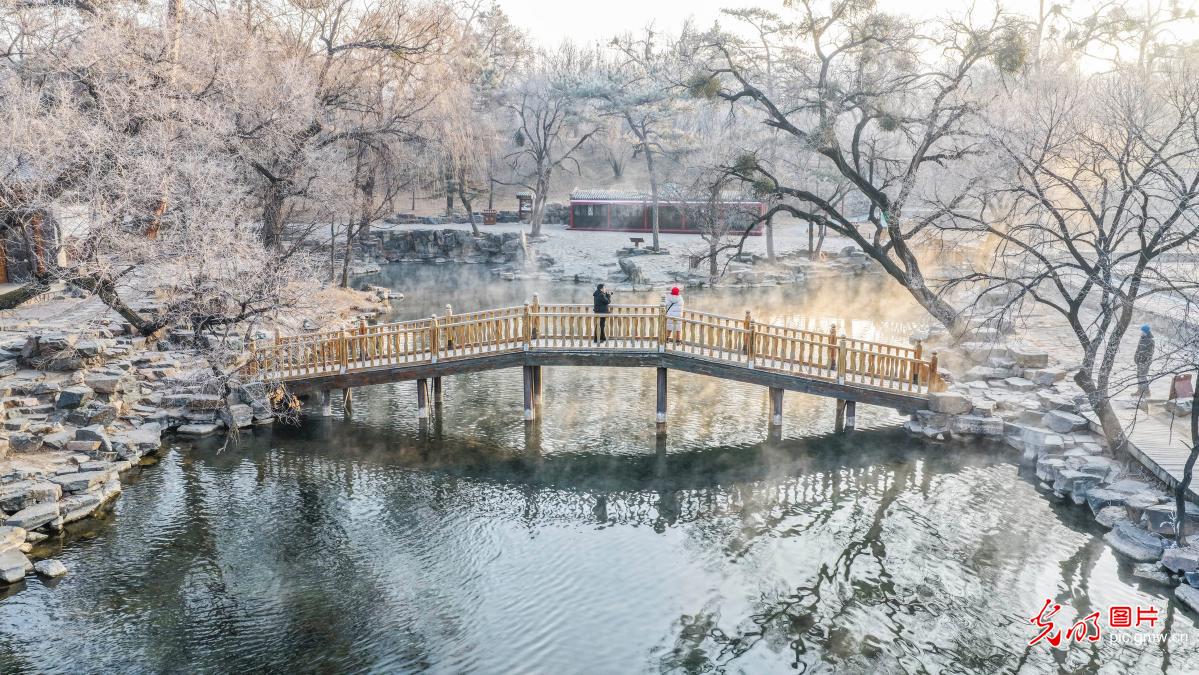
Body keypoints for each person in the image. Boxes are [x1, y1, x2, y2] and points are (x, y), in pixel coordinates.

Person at [1135, 324, 1155, 398]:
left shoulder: (1150, 341)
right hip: (1139, 361)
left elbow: (1150, 353)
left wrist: (1144, 360)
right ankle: (1140, 390)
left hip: (1145, 362)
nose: (1141, 332)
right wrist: (1136, 357)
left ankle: (1147, 392)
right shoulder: (1141, 339)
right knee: (1139, 376)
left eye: (1143, 331)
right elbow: (1138, 349)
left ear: (1146, 331)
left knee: (1143, 377)